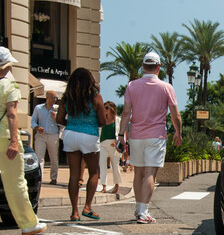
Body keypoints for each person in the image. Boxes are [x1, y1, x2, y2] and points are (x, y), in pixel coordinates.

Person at [120, 51, 182, 224]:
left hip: (136, 135)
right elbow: (175, 115)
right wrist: (178, 132)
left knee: (138, 173)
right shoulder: (166, 87)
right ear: (158, 67)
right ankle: (143, 211)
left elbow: (126, 112)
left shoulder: (132, 86)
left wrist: (121, 135)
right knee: (150, 174)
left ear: (143, 66)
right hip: (156, 135)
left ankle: (139, 209)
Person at [0, 47, 46, 235]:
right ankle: (28, 223)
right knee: (15, 182)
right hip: (5, 137)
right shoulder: (10, 86)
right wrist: (13, 141)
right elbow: (12, 115)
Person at [56, 68, 108, 221]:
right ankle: (87, 207)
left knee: (74, 175)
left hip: (70, 134)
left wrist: (72, 123)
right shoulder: (96, 97)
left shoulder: (67, 97)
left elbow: (59, 120)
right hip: (89, 135)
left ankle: (74, 212)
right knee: (93, 172)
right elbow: (103, 121)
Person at [31, 90, 60, 184]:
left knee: (54, 157)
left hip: (53, 135)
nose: (55, 99)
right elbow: (33, 120)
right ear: (47, 98)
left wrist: (55, 117)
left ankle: (54, 178)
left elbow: (61, 122)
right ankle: (39, 178)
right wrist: (37, 127)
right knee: (39, 157)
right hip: (41, 135)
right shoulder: (38, 108)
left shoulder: (57, 109)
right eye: (53, 97)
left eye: (56, 98)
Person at [99, 101, 122, 194]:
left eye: (107, 107)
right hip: (102, 144)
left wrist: (116, 142)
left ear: (112, 109)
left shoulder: (117, 120)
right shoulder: (101, 119)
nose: (104, 109)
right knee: (102, 165)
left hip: (113, 145)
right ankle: (103, 186)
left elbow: (121, 133)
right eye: (104, 107)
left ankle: (117, 185)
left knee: (115, 166)